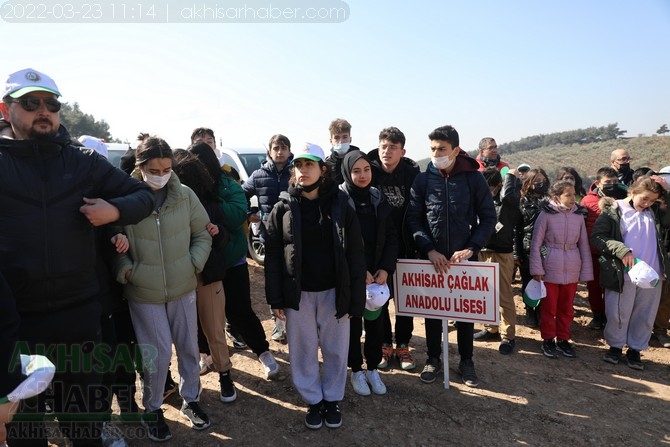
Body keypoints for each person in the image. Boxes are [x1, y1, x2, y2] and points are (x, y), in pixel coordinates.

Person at [0, 68, 155, 447]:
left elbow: (144, 195)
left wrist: (113, 212)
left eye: (51, 104)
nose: (44, 111)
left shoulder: (82, 160)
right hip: (17, 325)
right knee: (26, 433)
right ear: (5, 110)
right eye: (31, 102)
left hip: (80, 318)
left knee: (85, 425)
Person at [112, 134, 212, 442]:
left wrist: (192, 264)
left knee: (188, 348)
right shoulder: (124, 197)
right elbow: (111, 241)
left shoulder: (185, 195)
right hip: (143, 292)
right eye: (153, 169)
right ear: (140, 167)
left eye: (166, 168)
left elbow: (202, 234)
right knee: (154, 356)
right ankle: (153, 408)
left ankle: (191, 400)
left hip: (183, 287)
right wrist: (127, 270)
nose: (161, 174)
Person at [264, 143, 366, 429]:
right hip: (299, 294)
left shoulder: (341, 204)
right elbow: (272, 257)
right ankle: (313, 400)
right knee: (303, 350)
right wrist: (275, 298)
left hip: (335, 291)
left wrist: (355, 298)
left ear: (323, 169)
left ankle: (332, 398)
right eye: (298, 165)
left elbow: (356, 254)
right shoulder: (282, 208)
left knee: (335, 349)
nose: (302, 170)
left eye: (309, 165)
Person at [406, 125, 496, 387]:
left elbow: (488, 217)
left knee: (465, 313)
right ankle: (433, 359)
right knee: (433, 313)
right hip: (432, 260)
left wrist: (472, 247)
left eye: (442, 149)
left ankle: (466, 361)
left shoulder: (473, 178)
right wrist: (429, 250)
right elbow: (414, 219)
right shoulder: (423, 180)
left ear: (456, 150)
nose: (436, 154)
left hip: (464, 261)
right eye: (433, 149)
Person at [188, 142, 280, 380]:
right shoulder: (187, 189)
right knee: (202, 315)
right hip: (201, 263)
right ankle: (205, 354)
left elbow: (237, 214)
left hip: (231, 259)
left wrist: (211, 203)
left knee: (239, 310)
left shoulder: (228, 184)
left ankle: (263, 351)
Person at [172, 149, 239, 403]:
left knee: (214, 330)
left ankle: (224, 375)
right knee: (183, 335)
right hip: (179, 279)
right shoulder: (166, 205)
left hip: (208, 275)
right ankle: (191, 382)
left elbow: (224, 239)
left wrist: (217, 231)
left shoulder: (210, 202)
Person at [591, 176, 670, 369]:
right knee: (618, 312)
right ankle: (615, 348)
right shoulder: (614, 210)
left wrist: (666, 191)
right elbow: (598, 237)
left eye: (653, 200)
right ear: (632, 192)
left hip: (653, 274)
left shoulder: (655, 212)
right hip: (623, 273)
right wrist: (621, 250)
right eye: (644, 198)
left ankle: (635, 350)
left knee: (645, 314)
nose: (647, 203)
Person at [339, 150, 398, 396]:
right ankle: (356, 370)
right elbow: (338, 240)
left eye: (366, 170)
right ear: (346, 172)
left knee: (376, 324)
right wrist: (359, 270)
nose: (362, 176)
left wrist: (385, 268)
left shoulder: (378, 198)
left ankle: (372, 367)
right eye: (356, 171)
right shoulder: (340, 200)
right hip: (353, 277)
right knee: (352, 327)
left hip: (378, 277)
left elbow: (392, 236)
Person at [367, 126, 420, 370]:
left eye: (392, 147)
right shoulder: (369, 171)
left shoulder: (412, 175)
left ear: (402, 151)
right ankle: (384, 345)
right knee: (380, 300)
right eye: (383, 146)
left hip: (407, 249)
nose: (387, 151)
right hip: (378, 249)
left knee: (405, 302)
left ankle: (403, 345)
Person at [530, 180, 593, 359]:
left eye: (574, 194)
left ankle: (564, 339)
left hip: (572, 267)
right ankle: (548, 339)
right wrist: (537, 268)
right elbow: (536, 244)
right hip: (550, 267)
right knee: (549, 307)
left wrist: (585, 271)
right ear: (557, 197)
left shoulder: (578, 216)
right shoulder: (546, 215)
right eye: (569, 195)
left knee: (567, 307)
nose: (573, 198)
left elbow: (584, 245)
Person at [243, 134, 293, 342]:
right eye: (276, 148)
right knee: (274, 284)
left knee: (294, 282)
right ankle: (279, 325)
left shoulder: (296, 172)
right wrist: (249, 213)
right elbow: (241, 194)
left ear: (290, 151)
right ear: (269, 152)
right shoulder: (258, 175)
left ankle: (298, 325)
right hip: (270, 238)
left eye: (284, 148)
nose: (280, 152)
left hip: (295, 239)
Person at [474, 168, 522, 354]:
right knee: (485, 294)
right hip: (482, 251)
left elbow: (510, 196)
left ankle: (507, 335)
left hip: (501, 253)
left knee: (503, 296)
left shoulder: (508, 201)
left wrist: (510, 176)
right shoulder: (480, 201)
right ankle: (491, 328)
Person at [580, 167, 627, 330]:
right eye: (608, 182)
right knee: (593, 287)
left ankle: (611, 317)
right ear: (598, 183)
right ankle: (598, 315)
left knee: (612, 286)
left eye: (615, 182)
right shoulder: (587, 200)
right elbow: (582, 225)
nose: (612, 185)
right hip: (593, 252)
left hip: (615, 252)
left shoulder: (623, 198)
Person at [516, 168, 551, 328]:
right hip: (528, 247)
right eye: (537, 181)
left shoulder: (551, 201)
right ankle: (530, 310)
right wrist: (517, 253)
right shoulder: (521, 202)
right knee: (529, 282)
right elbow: (516, 229)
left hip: (548, 247)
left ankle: (542, 311)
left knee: (546, 281)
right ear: (529, 183)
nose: (540, 184)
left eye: (543, 180)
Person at [325, 118, 361, 185]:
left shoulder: (360, 160)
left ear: (350, 139)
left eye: (344, 137)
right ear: (331, 141)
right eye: (336, 138)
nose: (341, 141)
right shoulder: (327, 164)